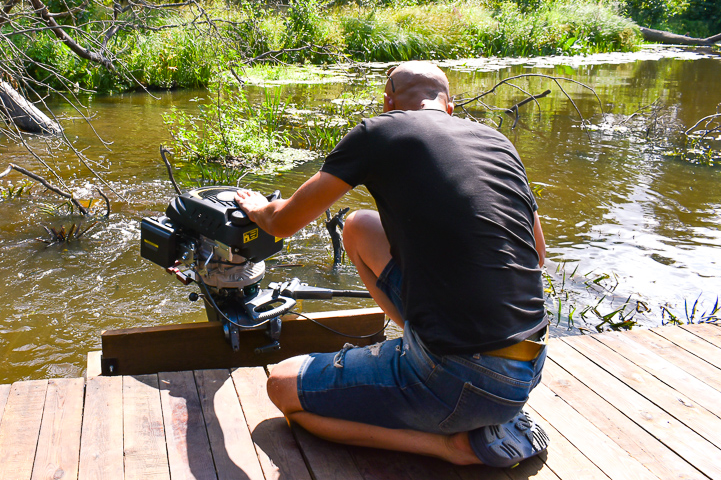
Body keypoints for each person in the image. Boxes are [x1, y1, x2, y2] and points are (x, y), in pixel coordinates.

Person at [234, 61, 550, 467]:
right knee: (359, 226)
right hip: (529, 364)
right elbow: (538, 253)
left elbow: (281, 223)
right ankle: (429, 358)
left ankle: (451, 447)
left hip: (463, 381)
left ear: (389, 101)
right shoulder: (497, 141)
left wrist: (258, 208)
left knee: (280, 385)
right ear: (449, 106)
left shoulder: (378, 131)